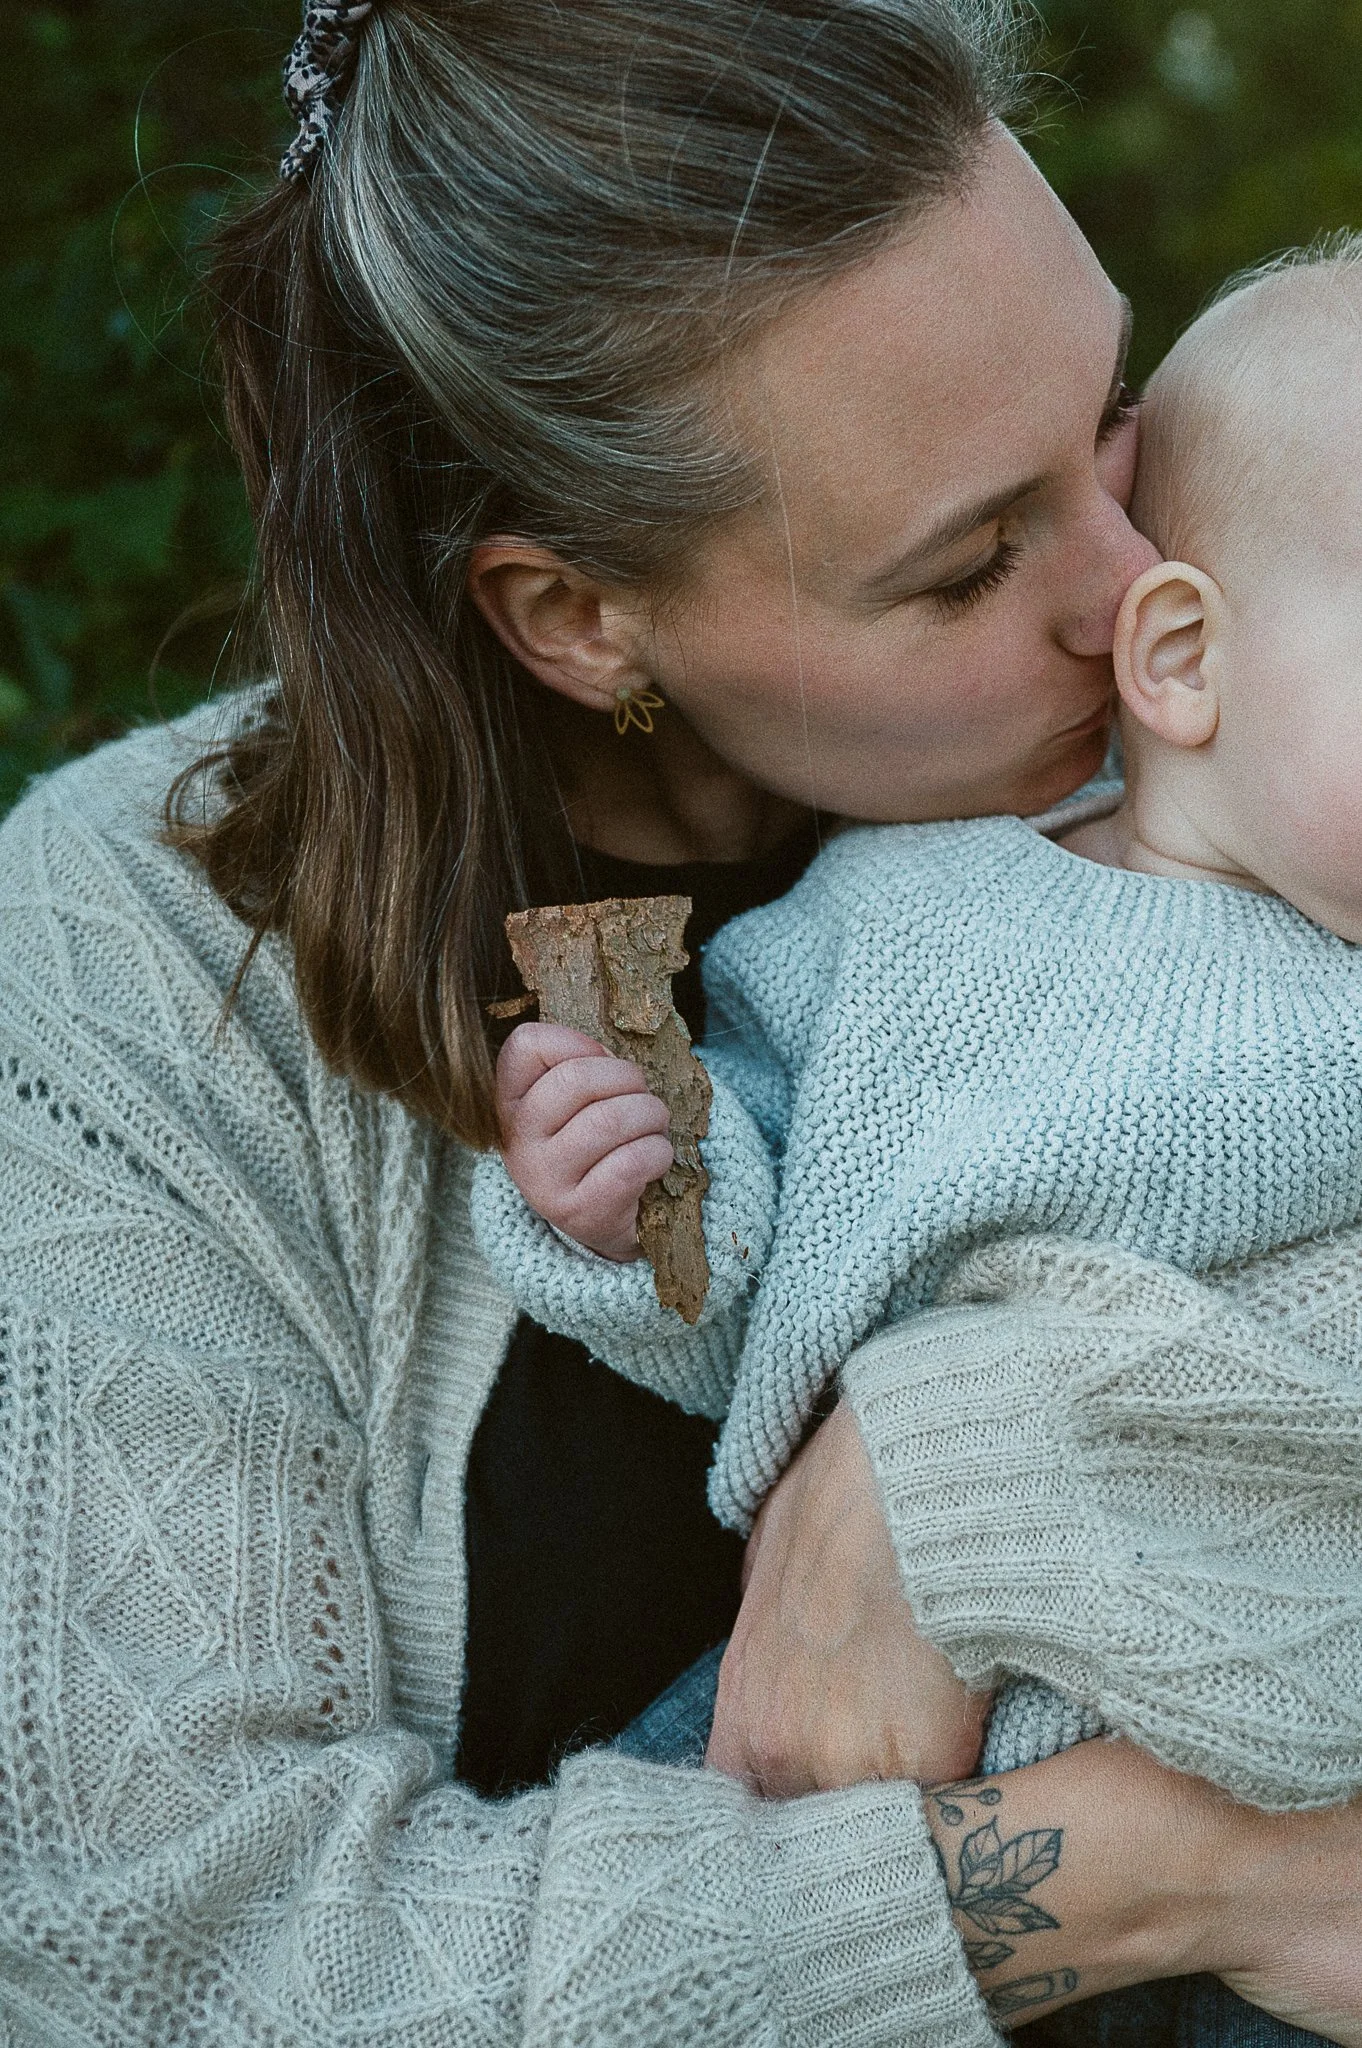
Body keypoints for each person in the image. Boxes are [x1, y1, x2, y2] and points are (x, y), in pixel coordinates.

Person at [1, 3, 1360, 2044]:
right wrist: (1162, 1873)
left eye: (1108, 420)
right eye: (972, 557)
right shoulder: (128, 976)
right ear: (581, 620)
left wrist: (966, 1457)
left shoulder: (1232, 748)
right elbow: (172, 1950)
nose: (1140, 582)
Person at [477, 242, 1362, 1802]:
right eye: (968, 557)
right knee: (629, 1861)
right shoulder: (892, 910)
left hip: (1266, 1763)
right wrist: (631, 1185)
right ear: (1180, 655)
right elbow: (747, 1263)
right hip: (839, 1745)